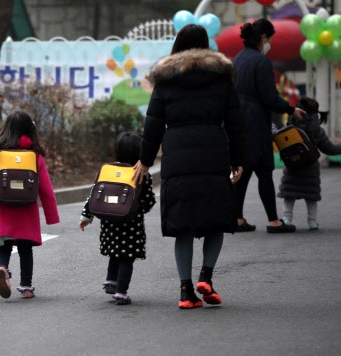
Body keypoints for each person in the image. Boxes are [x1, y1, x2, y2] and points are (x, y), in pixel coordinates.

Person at [132, 24, 245, 309]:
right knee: (216, 219)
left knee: (182, 224)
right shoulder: (221, 78)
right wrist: (238, 159)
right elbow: (235, 122)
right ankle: (206, 275)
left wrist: (145, 160)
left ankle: (185, 291)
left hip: (178, 156)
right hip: (213, 153)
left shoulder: (166, 79)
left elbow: (153, 124)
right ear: (205, 46)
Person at [231, 18, 306, 233]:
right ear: (263, 38)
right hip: (255, 121)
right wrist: (292, 109)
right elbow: (270, 98)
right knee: (264, 171)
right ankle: (274, 221)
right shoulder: (261, 62)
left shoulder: (237, 60)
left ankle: (237, 219)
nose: (269, 43)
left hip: (238, 121)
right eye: (269, 39)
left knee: (242, 170)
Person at [0, 111, 60, 299]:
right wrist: (51, 215)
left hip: (2, 207)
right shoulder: (34, 156)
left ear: (6, 130)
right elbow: (46, 188)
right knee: (25, 249)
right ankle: (26, 287)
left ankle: (2, 267)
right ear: (30, 130)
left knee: (3, 244)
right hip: (26, 208)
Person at [79, 131, 156, 305]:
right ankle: (121, 292)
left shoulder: (107, 170)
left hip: (109, 224)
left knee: (115, 252)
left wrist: (86, 216)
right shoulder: (140, 173)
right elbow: (149, 200)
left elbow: (94, 194)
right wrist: (139, 208)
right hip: (130, 225)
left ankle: (111, 280)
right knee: (126, 257)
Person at [277, 96, 341, 230]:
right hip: (310, 169)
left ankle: (287, 219)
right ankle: (312, 221)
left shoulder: (290, 129)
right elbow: (331, 149)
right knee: (311, 197)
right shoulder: (318, 132)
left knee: (289, 195)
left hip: (292, 168)